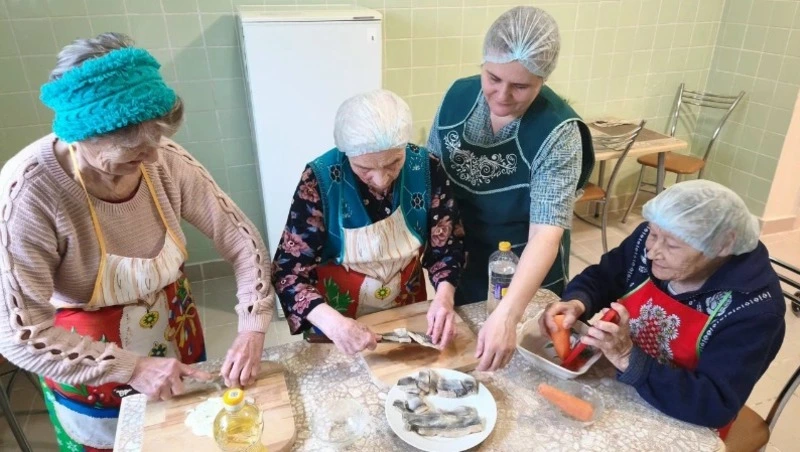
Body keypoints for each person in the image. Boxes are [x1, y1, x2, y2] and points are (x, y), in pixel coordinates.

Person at [0, 33, 275, 450]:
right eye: (134, 153)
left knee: (188, 437)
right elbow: (20, 334)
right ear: (83, 137)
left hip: (174, 326)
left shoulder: (163, 159)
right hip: (89, 359)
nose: (153, 160)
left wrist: (253, 324)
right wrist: (133, 368)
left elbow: (241, 239)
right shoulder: (29, 194)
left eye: (156, 144)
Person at [543, 180, 785, 437]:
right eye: (653, 234)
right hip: (623, 384)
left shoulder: (755, 310)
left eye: (672, 245)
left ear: (722, 245)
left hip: (684, 417)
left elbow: (715, 403)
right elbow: (604, 276)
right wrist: (577, 303)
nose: (652, 253)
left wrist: (626, 356)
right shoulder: (653, 239)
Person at [427, 6, 594, 371]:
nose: (502, 95)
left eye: (521, 86)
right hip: (463, 258)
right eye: (493, 78)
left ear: (543, 79)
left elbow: (546, 234)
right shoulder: (457, 97)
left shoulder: (559, 132)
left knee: (514, 367)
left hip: (523, 272)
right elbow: (432, 179)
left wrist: (508, 314)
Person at [272, 89, 465, 353]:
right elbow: (287, 271)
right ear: (346, 154)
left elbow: (448, 248)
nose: (381, 180)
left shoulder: (426, 169)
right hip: (337, 322)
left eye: (393, 163)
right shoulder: (320, 180)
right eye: (365, 168)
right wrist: (333, 324)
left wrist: (444, 298)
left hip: (406, 313)